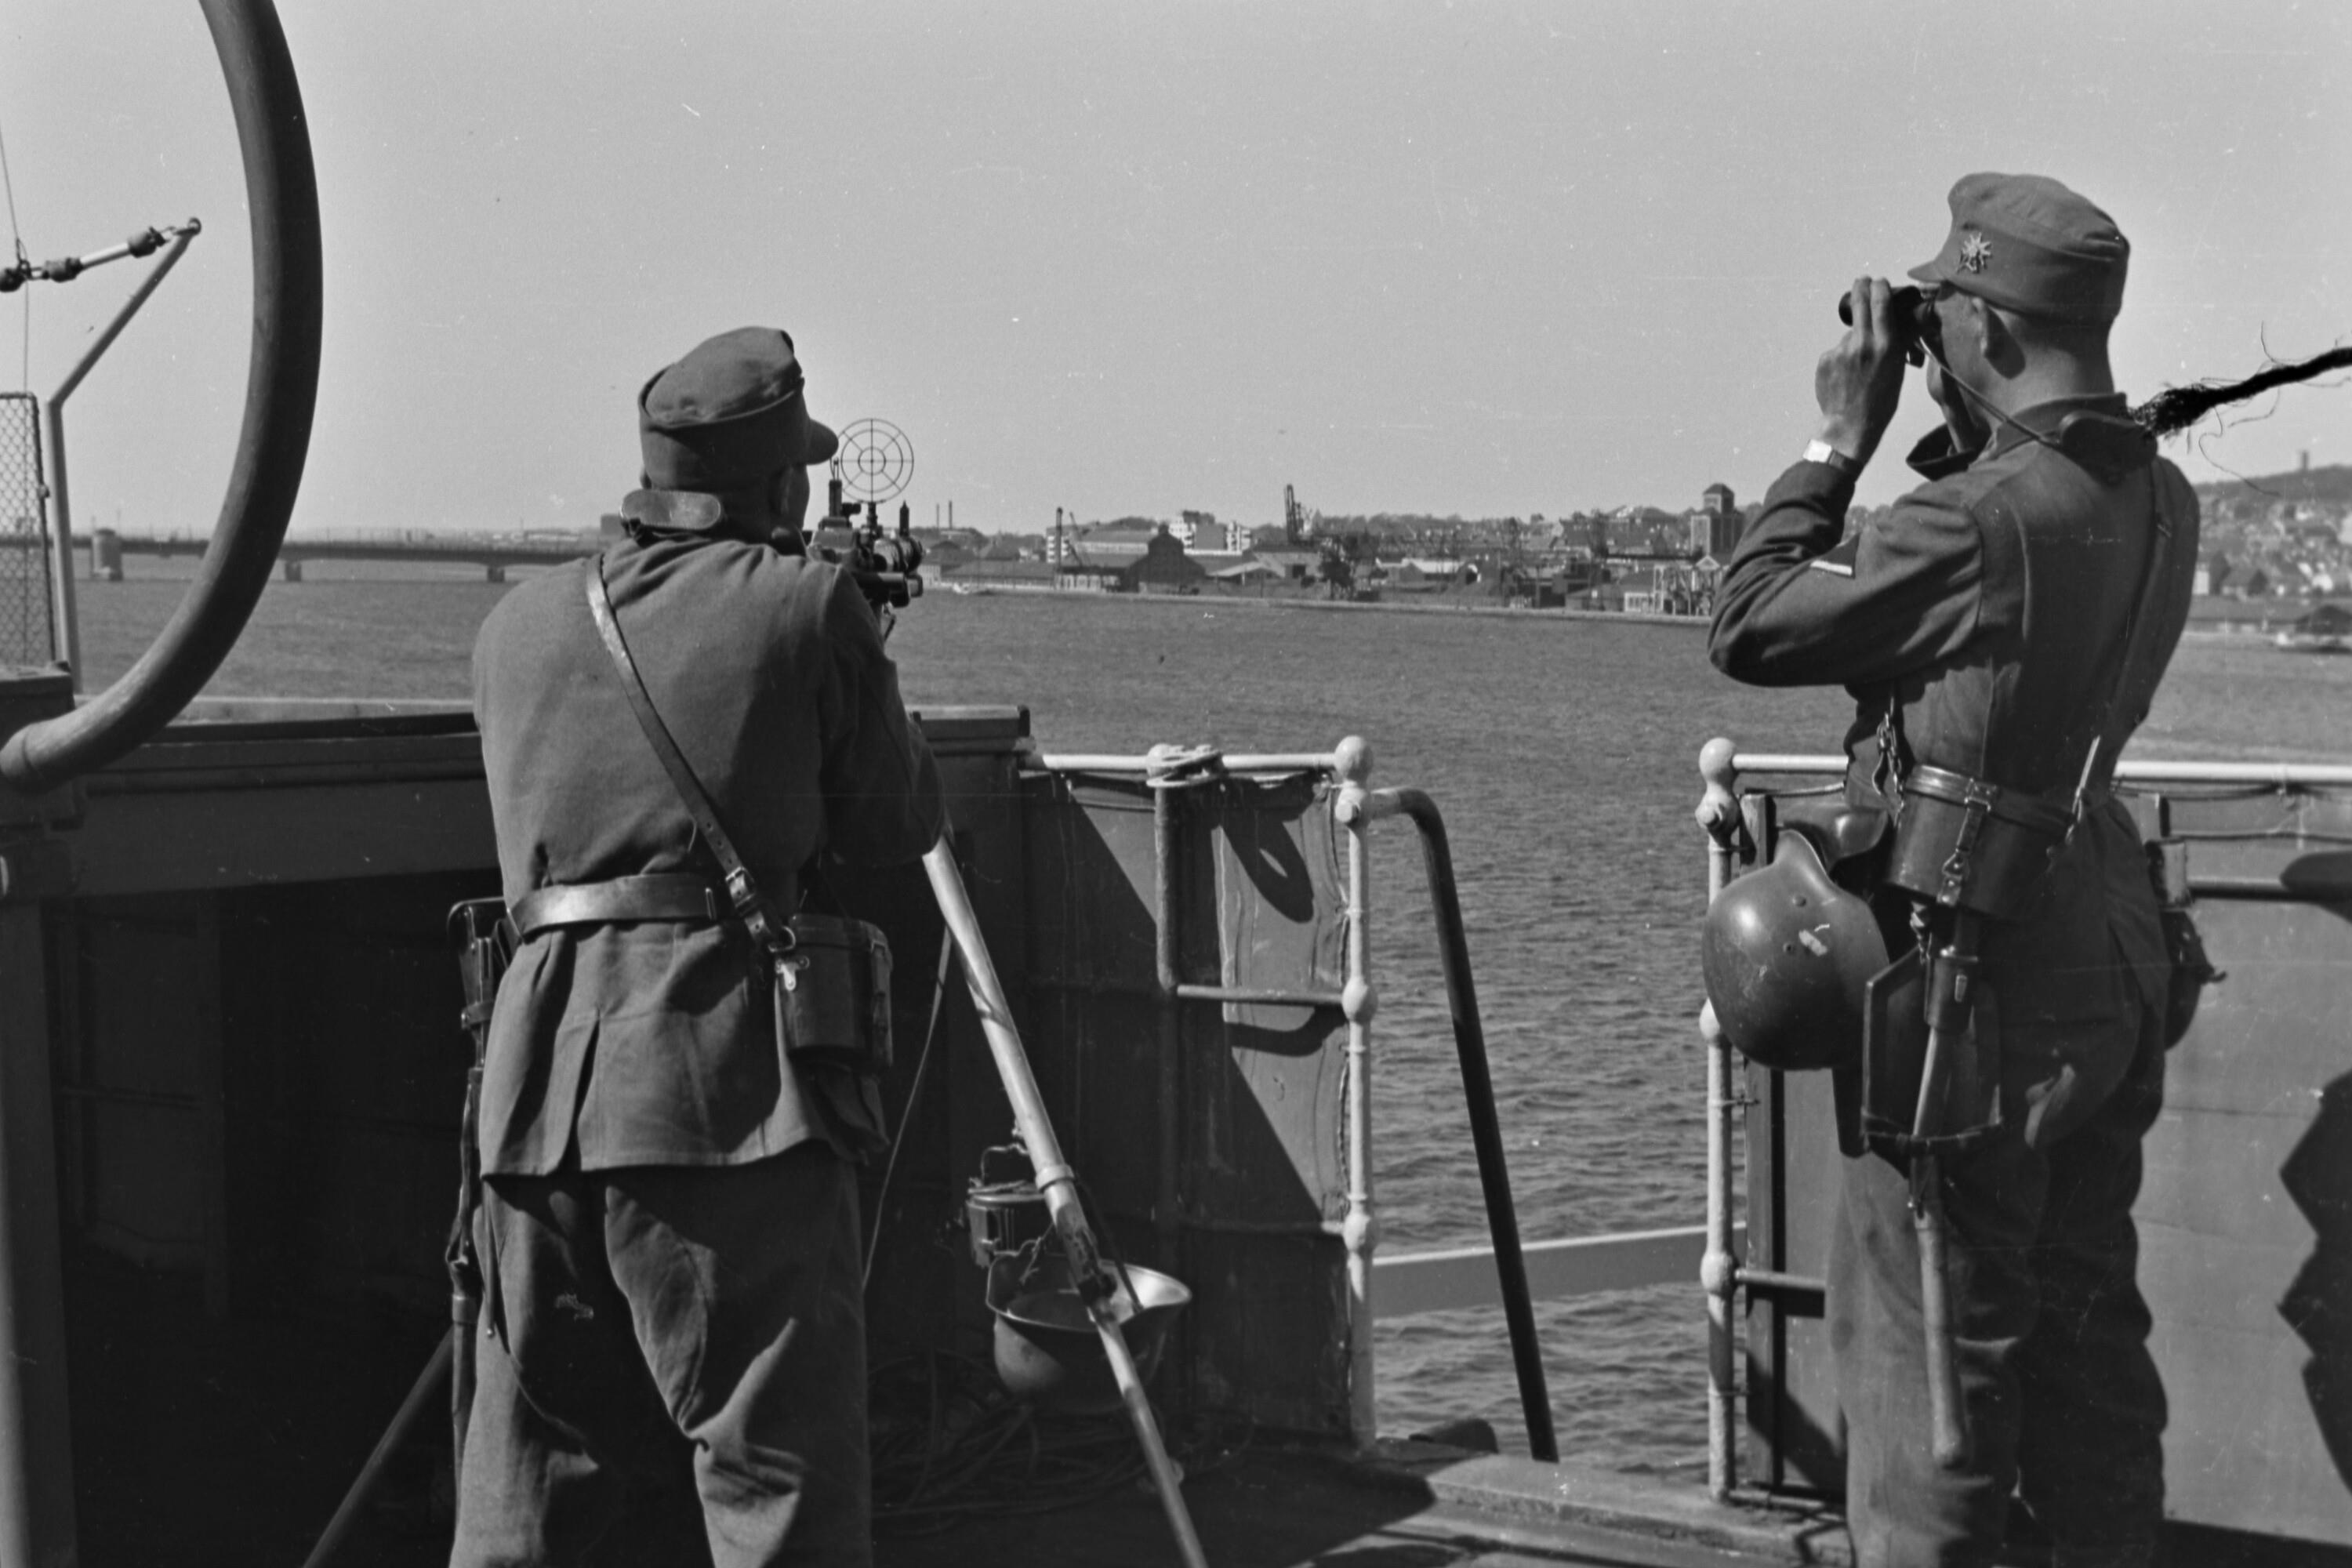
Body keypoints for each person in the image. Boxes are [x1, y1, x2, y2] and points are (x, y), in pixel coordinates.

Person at [1708, 175, 2198, 1567]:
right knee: (2092, 1358)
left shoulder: (1975, 524)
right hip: (2106, 962)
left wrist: (1839, 434)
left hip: (1970, 1005)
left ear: (1977, 324)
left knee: (1934, 1385)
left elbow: (1750, 624)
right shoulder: (2160, 498)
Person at [453, 325, 943, 1567]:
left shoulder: (514, 626)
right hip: (724, 1098)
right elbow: (898, 823)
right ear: (781, 485)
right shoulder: (805, 601)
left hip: (530, 1102)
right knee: (776, 1489)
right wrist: (858, 649)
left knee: (532, 1504)